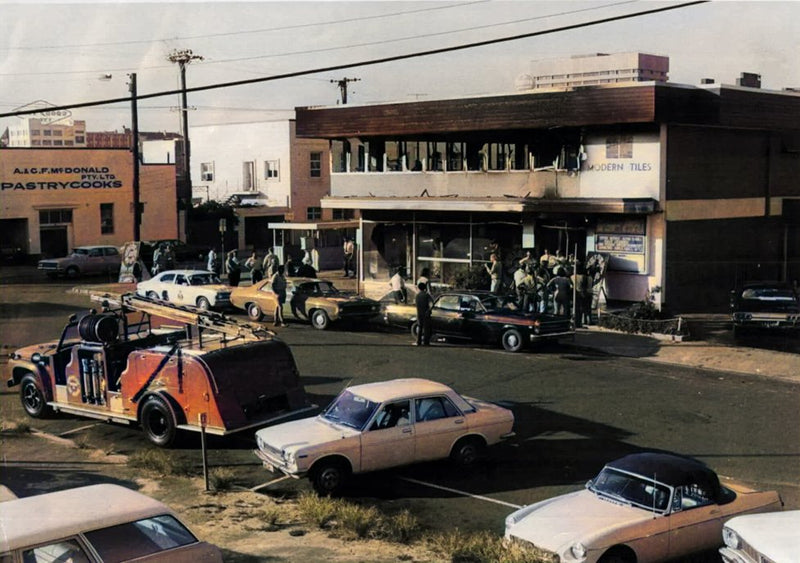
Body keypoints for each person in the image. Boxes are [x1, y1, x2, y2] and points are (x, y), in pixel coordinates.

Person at [414, 282, 434, 346]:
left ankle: (418, 341)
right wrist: (429, 310)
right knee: (426, 328)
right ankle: (426, 342)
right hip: (426, 313)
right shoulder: (426, 295)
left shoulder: (417, 296)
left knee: (420, 327)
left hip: (419, 313)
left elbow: (415, 304)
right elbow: (432, 303)